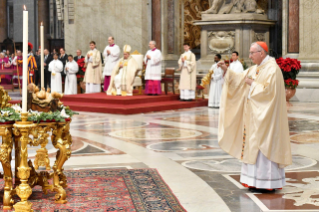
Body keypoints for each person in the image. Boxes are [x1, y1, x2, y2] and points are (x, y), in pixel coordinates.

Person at [218, 42, 291, 192]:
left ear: (261, 53)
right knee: (252, 146)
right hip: (253, 117)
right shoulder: (256, 68)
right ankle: (252, 180)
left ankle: (267, 182)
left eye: (252, 53)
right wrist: (227, 70)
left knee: (264, 146)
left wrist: (252, 83)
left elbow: (269, 92)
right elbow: (240, 79)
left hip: (267, 119)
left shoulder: (272, 69)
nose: (250, 56)